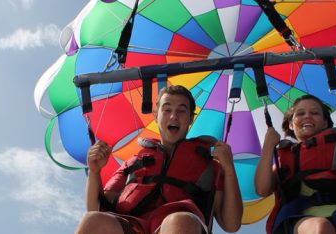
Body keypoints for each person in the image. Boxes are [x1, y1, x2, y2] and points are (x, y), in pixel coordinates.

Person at [75, 85, 243, 234]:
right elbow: (94, 209)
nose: (173, 116)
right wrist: (94, 171)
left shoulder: (209, 166)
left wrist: (228, 168)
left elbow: (231, 224)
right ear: (156, 116)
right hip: (132, 225)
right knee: (93, 220)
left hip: (179, 225)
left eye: (181, 110)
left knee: (178, 221)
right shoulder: (134, 162)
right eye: (167, 109)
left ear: (190, 119)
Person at [255, 95, 336, 234]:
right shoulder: (285, 158)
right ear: (291, 124)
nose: (307, 116)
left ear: (325, 123)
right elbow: (262, 189)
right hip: (302, 216)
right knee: (321, 227)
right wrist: (268, 147)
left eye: (315, 113)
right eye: (300, 113)